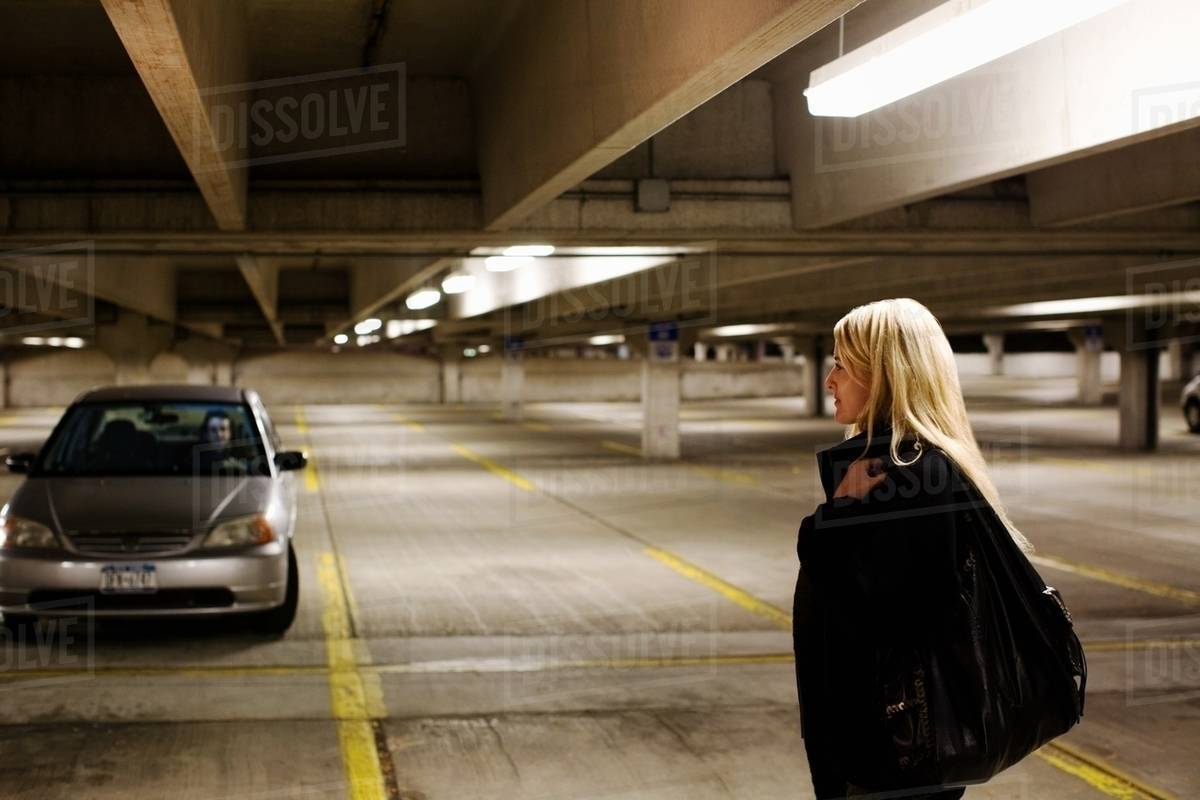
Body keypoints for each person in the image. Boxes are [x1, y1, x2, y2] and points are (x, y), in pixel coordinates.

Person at [792, 298, 1034, 799]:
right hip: (897, 748)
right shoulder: (905, 468)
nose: (829, 379)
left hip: (894, 752)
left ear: (884, 372)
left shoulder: (910, 476)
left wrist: (834, 518)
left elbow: (896, 614)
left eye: (841, 363)